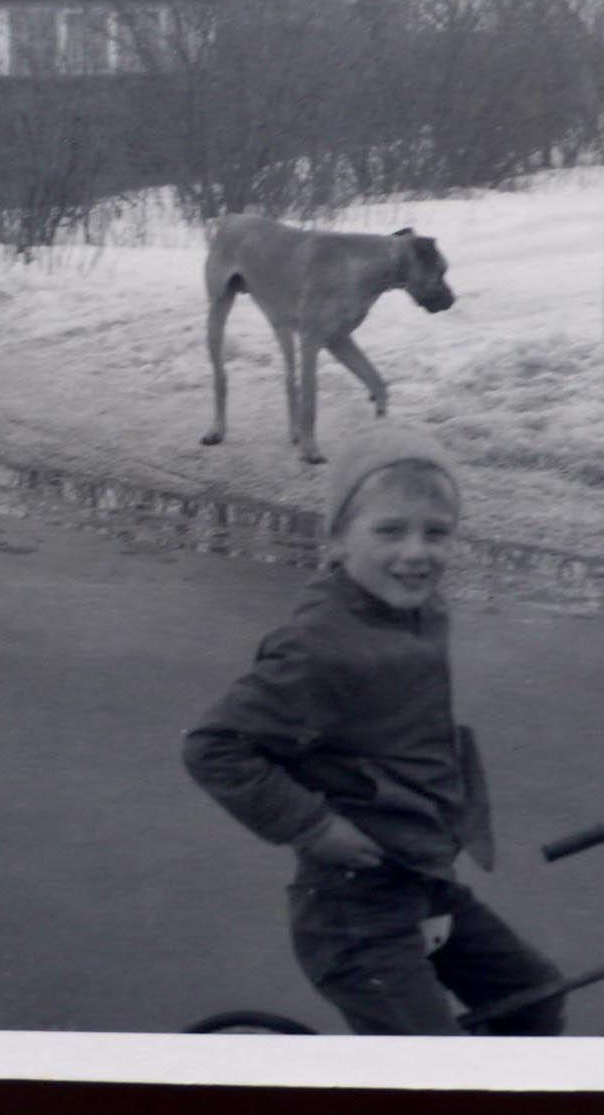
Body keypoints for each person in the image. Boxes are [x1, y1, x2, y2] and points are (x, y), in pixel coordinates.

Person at [183, 424, 564, 1035]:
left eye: (436, 533)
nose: (416, 553)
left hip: (421, 879)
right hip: (353, 913)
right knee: (424, 1076)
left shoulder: (416, 612)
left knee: (535, 997)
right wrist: (311, 825)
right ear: (337, 540)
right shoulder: (320, 645)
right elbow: (214, 747)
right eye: (390, 530)